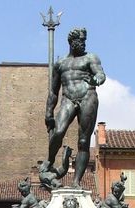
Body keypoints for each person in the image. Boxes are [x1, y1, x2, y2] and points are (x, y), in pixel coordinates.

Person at [41, 27, 106, 189]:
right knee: (58, 131)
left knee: (83, 141)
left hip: (88, 97)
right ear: (71, 42)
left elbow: (100, 74)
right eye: (80, 40)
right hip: (68, 99)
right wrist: (49, 112)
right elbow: (53, 91)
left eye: (84, 40)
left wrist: (96, 79)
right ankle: (50, 161)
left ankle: (76, 181)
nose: (83, 43)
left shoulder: (91, 58)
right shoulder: (60, 63)